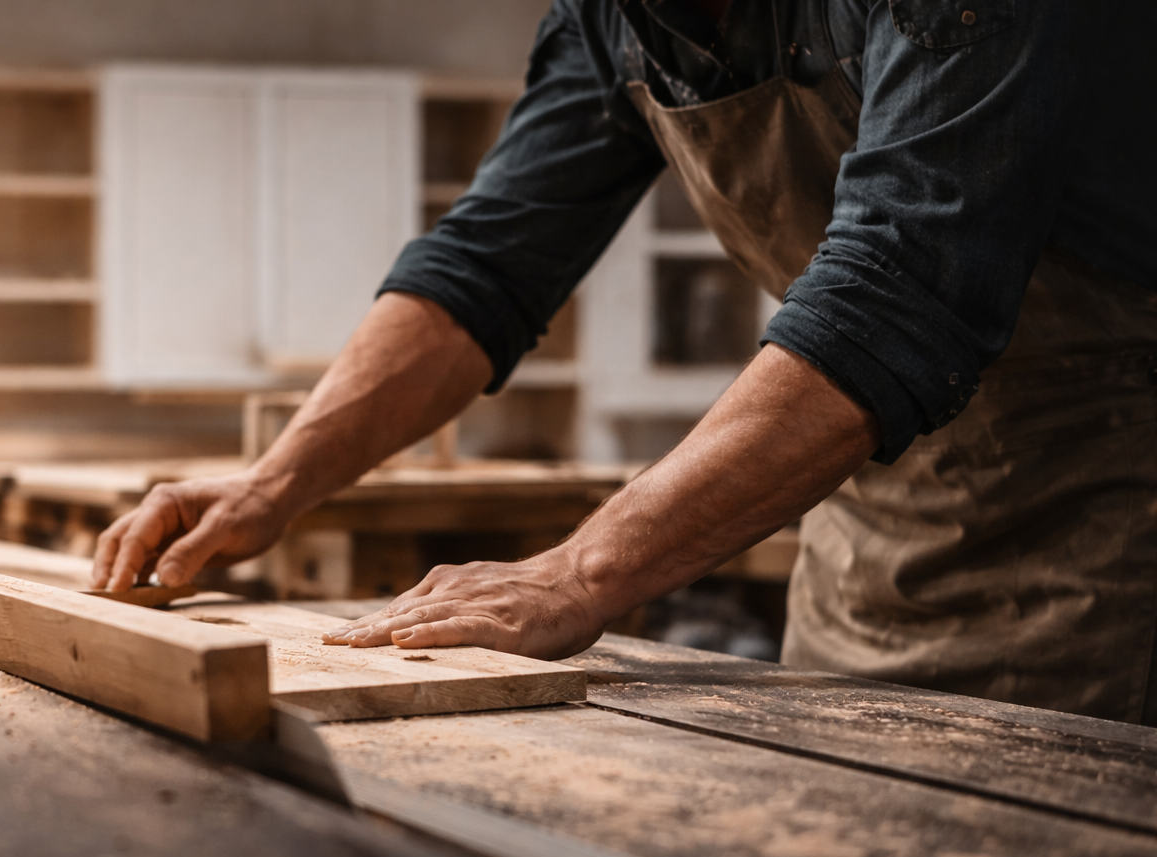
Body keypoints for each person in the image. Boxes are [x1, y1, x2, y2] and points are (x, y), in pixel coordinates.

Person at [94, 0, 1157, 724]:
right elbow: (490, 263)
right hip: (875, 532)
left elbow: (900, 288)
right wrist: (271, 484)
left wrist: (576, 572)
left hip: (1117, 521)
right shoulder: (615, 18)